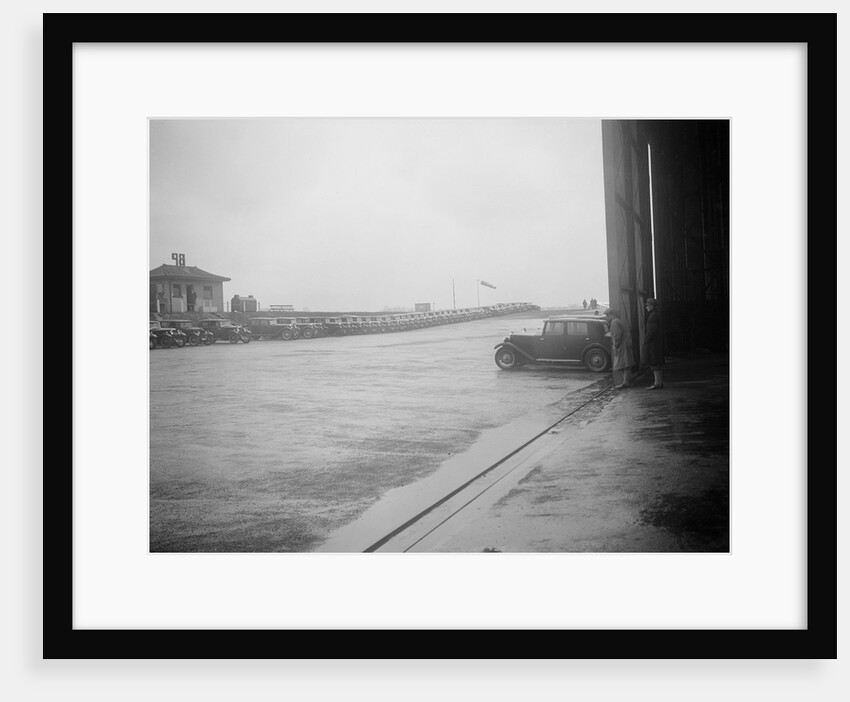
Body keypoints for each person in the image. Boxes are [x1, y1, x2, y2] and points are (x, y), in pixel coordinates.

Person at [603, 308, 634, 389]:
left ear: (611, 315)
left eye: (607, 315)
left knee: (622, 364)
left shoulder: (614, 322)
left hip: (621, 346)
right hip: (624, 345)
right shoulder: (617, 321)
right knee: (624, 364)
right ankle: (625, 381)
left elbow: (617, 336)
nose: (606, 317)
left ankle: (625, 382)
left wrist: (615, 346)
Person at [643, 297, 664, 389]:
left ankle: (657, 383)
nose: (646, 307)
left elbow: (651, 330)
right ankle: (658, 382)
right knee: (657, 363)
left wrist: (646, 341)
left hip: (653, 343)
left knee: (654, 362)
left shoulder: (652, 316)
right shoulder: (656, 314)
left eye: (647, 305)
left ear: (652, 306)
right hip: (656, 342)